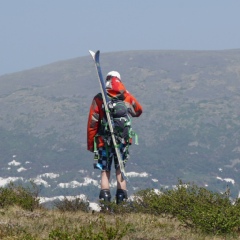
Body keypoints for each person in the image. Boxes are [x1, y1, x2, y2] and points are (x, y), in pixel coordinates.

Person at [87, 71, 142, 205]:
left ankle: (105, 204)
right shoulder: (125, 97)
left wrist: (91, 143)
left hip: (103, 141)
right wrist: (128, 93)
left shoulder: (99, 98)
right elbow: (138, 111)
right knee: (120, 169)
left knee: (105, 170)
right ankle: (121, 204)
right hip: (122, 141)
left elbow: (93, 122)